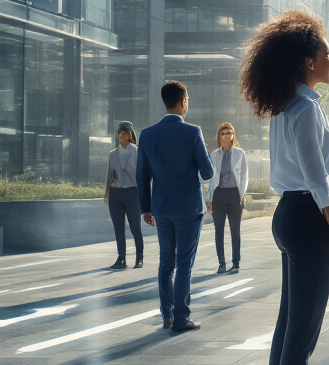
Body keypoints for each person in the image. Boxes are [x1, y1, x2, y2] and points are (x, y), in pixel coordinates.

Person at [241, 10, 329, 365]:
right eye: (327, 53)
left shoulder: (288, 106)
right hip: (309, 218)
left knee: (288, 327)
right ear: (308, 61)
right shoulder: (305, 110)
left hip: (290, 214)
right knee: (301, 335)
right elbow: (318, 179)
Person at [136, 81, 215, 333]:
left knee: (165, 262)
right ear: (183, 102)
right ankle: (181, 317)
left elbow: (141, 176)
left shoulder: (147, 134)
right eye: (187, 99)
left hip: (161, 208)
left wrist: (145, 208)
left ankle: (167, 315)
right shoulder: (193, 132)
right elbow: (208, 172)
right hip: (189, 208)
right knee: (184, 264)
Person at [207, 123, 249, 275]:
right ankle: (221, 263)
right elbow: (211, 179)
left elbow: (244, 176)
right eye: (223, 133)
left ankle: (236, 263)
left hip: (234, 195)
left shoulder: (240, 153)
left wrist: (242, 196)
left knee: (235, 231)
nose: (226, 136)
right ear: (219, 136)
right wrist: (209, 199)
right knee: (219, 231)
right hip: (218, 195)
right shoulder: (214, 155)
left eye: (229, 133)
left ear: (233, 135)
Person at [104, 121, 143, 270]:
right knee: (118, 228)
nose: (121, 136)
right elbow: (109, 175)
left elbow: (143, 175)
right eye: (119, 133)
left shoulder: (138, 152)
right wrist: (107, 194)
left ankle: (139, 258)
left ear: (130, 135)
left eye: (124, 133)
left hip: (133, 193)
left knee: (135, 227)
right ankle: (121, 258)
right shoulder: (112, 154)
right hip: (116, 193)